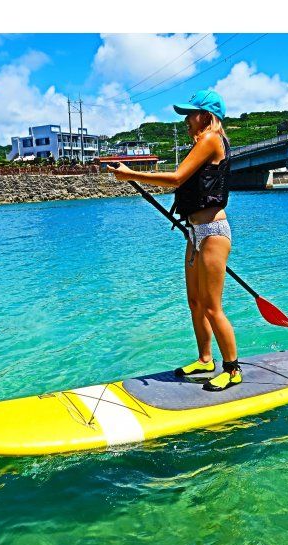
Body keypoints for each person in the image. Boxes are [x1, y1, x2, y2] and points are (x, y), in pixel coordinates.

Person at [107, 90, 241, 392]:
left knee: (212, 307)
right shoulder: (202, 143)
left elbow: (177, 178)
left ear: (206, 116)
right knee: (195, 302)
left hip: (213, 232)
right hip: (195, 232)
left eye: (190, 114)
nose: (186, 120)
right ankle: (205, 359)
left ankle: (232, 369)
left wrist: (132, 175)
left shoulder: (211, 139)